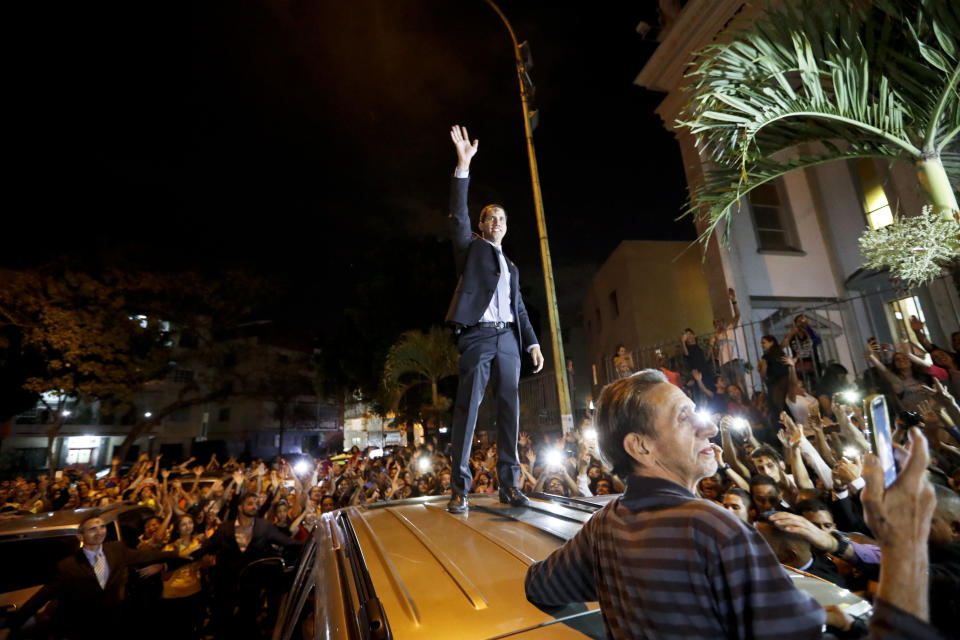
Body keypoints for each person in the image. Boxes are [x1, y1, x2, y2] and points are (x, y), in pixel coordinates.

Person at [524, 369, 825, 639]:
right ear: (641, 447)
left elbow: (538, 585)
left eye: (696, 412)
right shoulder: (715, 529)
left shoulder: (604, 526)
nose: (708, 429)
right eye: (684, 417)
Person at [444, 125, 544, 514]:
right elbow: (458, 216)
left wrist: (532, 342)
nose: (498, 221)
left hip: (509, 342)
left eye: (502, 217)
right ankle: (460, 489)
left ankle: (509, 485)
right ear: (482, 226)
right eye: (491, 217)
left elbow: (518, 307)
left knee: (510, 411)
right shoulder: (471, 250)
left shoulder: (512, 266)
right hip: (478, 337)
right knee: (468, 410)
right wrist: (463, 166)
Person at [7, 511, 184, 640]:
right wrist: (15, 623)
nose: (99, 531)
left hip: (114, 623)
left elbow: (145, 555)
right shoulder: (68, 566)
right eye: (93, 529)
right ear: (80, 536)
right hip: (83, 628)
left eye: (101, 526)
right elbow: (43, 595)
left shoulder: (116, 549)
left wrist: (176, 556)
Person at [198, 492, 303, 638]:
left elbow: (288, 542)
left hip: (252, 587)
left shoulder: (264, 526)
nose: (255, 506)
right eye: (250, 503)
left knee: (248, 624)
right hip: (226, 586)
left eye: (256, 503)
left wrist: (313, 544)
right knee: (224, 625)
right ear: (240, 507)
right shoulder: (225, 528)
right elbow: (207, 547)